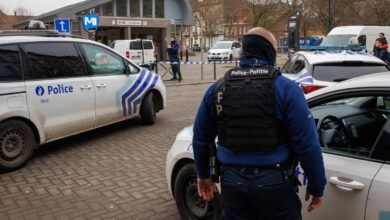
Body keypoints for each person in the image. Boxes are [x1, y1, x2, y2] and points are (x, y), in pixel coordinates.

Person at [193, 27, 327, 220]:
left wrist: (203, 175)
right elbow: (307, 143)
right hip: (274, 184)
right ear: (269, 52)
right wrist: (316, 185)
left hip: (232, 184)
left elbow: (200, 139)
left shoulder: (217, 89)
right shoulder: (287, 89)